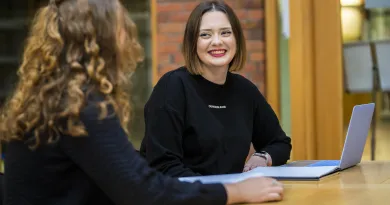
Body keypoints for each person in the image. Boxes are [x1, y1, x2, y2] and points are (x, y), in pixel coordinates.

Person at [0, 0, 284, 204]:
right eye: (123, 29)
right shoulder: (78, 108)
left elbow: (130, 173)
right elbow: (142, 189)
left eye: (225, 32)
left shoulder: (57, 99)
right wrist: (234, 192)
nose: (129, 39)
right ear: (101, 40)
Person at [140, 0, 292, 177]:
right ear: (192, 42)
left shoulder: (245, 91)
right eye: (205, 35)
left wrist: (263, 157)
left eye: (225, 33)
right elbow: (163, 167)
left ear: (236, 39)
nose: (217, 41)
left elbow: (279, 143)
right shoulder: (172, 87)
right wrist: (223, 194)